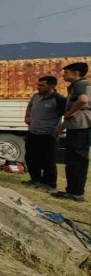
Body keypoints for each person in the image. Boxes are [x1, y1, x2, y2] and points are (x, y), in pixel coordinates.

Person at [52, 63, 90, 202]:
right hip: (76, 127)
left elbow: (83, 100)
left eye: (66, 72)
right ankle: (72, 190)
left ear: (76, 73)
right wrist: (60, 129)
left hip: (81, 127)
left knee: (77, 160)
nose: (63, 75)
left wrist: (70, 112)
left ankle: (77, 192)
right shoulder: (77, 85)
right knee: (71, 159)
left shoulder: (80, 84)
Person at [23, 76, 66, 192]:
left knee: (48, 161)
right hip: (33, 132)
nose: (38, 87)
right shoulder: (36, 96)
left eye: (42, 85)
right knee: (31, 158)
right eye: (38, 85)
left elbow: (68, 117)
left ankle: (50, 184)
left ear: (52, 86)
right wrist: (27, 116)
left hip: (48, 135)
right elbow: (30, 106)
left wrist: (58, 131)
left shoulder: (59, 99)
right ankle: (35, 179)